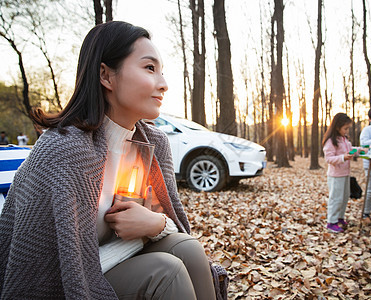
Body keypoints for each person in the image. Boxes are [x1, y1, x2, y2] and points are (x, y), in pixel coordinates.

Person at [0, 21, 221, 299]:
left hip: (120, 258)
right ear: (106, 76)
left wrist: (154, 224)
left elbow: (174, 224)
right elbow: (40, 268)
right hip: (67, 281)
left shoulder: (153, 144)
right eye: (149, 68)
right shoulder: (64, 150)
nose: (163, 84)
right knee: (166, 271)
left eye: (161, 71)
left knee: (188, 248)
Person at [323, 113, 362, 233]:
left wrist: (360, 150)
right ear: (337, 127)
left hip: (345, 174)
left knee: (344, 197)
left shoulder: (344, 140)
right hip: (335, 175)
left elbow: (350, 150)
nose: (347, 131)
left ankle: (340, 218)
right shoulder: (331, 141)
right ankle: (331, 222)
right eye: (345, 128)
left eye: (348, 128)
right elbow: (329, 159)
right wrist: (343, 158)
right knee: (336, 198)